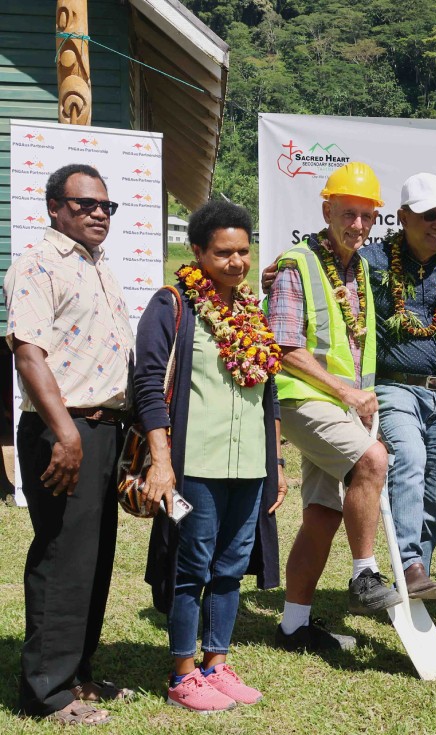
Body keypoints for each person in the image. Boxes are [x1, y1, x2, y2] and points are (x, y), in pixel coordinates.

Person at [135, 201, 286, 712]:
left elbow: (271, 393)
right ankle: (182, 673)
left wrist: (278, 462)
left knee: (231, 567)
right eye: (223, 253)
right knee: (190, 567)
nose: (237, 262)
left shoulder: (251, 312)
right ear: (197, 251)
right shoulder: (172, 304)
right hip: (192, 467)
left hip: (249, 467)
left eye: (244, 251)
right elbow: (149, 387)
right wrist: (162, 461)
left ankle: (216, 664)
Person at [6, 164, 133, 725]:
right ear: (54, 208)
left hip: (104, 430)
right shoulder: (37, 265)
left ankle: (77, 673)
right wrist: (64, 433)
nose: (98, 213)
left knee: (94, 558)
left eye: (106, 205)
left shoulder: (99, 268)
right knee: (62, 558)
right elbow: (28, 352)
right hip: (64, 430)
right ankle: (45, 692)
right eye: (85, 205)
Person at [266, 162, 399, 652]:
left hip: (343, 406)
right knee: (372, 460)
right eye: (348, 213)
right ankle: (364, 576)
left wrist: (355, 399)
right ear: (326, 210)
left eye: (367, 216)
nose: (358, 225)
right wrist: (346, 394)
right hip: (304, 399)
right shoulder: (296, 265)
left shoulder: (360, 266)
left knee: (323, 514)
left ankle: (293, 626)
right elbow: (282, 347)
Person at [362, 173, 436, 597]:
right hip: (394, 386)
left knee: (432, 489)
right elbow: (327, 270)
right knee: (408, 462)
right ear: (402, 217)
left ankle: (416, 578)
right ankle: (411, 565)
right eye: (429, 215)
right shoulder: (372, 261)